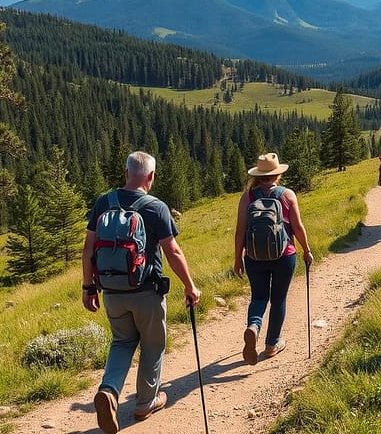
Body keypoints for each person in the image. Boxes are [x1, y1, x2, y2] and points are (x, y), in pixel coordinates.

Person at [81, 150, 202, 434]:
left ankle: (109, 391)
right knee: (152, 345)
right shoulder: (155, 207)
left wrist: (88, 287)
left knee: (122, 342)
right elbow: (172, 251)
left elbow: (88, 249)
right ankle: (145, 403)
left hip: (111, 291)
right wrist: (189, 285)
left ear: (126, 173)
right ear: (151, 176)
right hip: (147, 292)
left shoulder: (103, 202)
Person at [232, 152, 313, 365]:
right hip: (284, 255)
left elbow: (240, 231)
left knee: (258, 297)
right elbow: (297, 227)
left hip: (253, 256)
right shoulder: (287, 195)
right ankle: (271, 345)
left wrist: (238, 258)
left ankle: (254, 326)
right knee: (278, 299)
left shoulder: (248, 197)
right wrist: (306, 249)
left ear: (258, 175)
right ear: (277, 174)